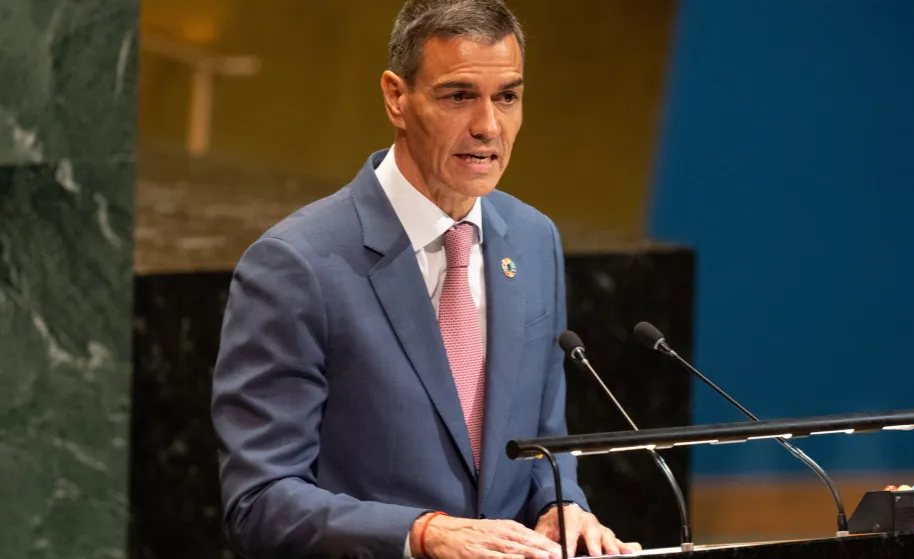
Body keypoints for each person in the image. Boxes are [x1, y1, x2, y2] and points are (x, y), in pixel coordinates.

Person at [211, 1, 633, 557]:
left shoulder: (533, 241)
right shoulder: (296, 265)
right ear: (395, 97)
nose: (488, 126)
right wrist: (421, 533)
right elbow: (259, 501)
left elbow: (542, 444)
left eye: (507, 96)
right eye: (459, 96)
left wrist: (561, 505)